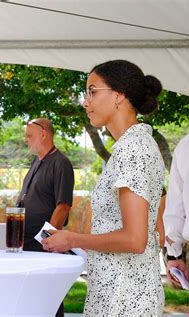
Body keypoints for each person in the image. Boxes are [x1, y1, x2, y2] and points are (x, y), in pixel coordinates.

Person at [42, 60, 165, 316]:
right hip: (117, 292)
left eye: (92, 91)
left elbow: (134, 239)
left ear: (119, 95)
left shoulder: (134, 149)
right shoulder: (132, 146)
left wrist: (74, 239)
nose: (86, 102)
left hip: (125, 298)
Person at [17, 118, 74, 317]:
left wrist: (46, 240)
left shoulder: (60, 163)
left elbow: (63, 206)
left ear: (44, 134)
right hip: (25, 242)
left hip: (42, 244)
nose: (26, 140)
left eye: (29, 136)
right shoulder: (37, 161)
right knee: (30, 299)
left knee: (48, 298)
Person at [164, 132, 189, 290]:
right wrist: (174, 254)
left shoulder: (188, 143)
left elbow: (175, 207)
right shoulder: (188, 144)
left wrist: (174, 254)